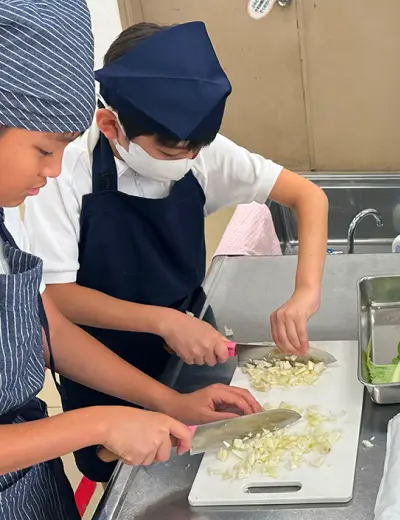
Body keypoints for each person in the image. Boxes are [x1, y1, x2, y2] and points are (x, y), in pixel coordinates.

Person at [23, 21, 328, 483]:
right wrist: (160, 321)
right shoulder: (62, 171)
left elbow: (310, 197)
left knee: (204, 458)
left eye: (195, 150)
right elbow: (57, 299)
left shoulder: (200, 151)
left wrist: (305, 291)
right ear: (110, 125)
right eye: (169, 153)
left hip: (190, 341)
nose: (187, 162)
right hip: (99, 347)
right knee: (125, 471)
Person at [0, 3, 261, 518]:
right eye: (42, 149)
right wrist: (97, 425)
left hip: (31, 482)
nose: (53, 172)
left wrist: (170, 402)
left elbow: (44, 327)